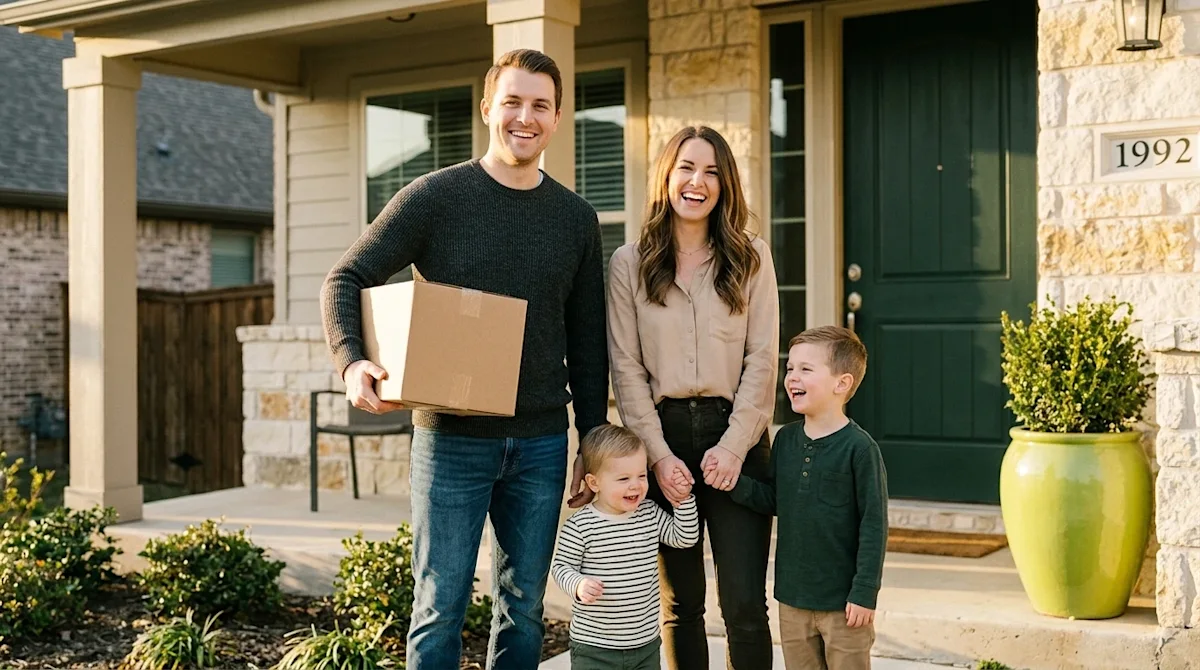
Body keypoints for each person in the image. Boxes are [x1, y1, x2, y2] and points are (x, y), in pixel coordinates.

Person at [319, 49, 610, 669]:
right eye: (512, 101)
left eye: (540, 106)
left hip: (538, 443)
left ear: (558, 119)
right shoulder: (434, 198)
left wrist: (591, 441)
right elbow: (344, 277)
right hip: (450, 441)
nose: (524, 117)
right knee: (439, 607)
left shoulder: (576, 220)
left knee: (525, 605)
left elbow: (588, 345)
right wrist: (352, 362)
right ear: (487, 109)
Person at [606, 125, 779, 669]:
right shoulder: (629, 264)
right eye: (686, 167)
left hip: (740, 439)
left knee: (745, 604)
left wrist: (732, 447)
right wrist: (657, 458)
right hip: (663, 438)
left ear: (725, 185)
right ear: (666, 175)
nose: (697, 182)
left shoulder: (752, 257)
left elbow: (763, 359)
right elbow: (626, 369)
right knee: (680, 604)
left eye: (711, 171)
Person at [731, 326, 888, 670]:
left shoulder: (860, 450)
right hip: (793, 600)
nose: (792, 377)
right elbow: (775, 499)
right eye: (790, 368)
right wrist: (734, 483)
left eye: (805, 369)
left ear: (841, 383)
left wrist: (864, 593)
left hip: (844, 607)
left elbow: (873, 526)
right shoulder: (785, 440)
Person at [550, 424, 700, 669]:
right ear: (594, 482)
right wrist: (578, 584)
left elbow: (683, 537)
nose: (635, 485)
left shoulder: (649, 513)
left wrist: (682, 500)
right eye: (623, 478)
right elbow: (560, 566)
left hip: (645, 644)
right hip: (594, 647)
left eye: (641, 476)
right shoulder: (581, 525)